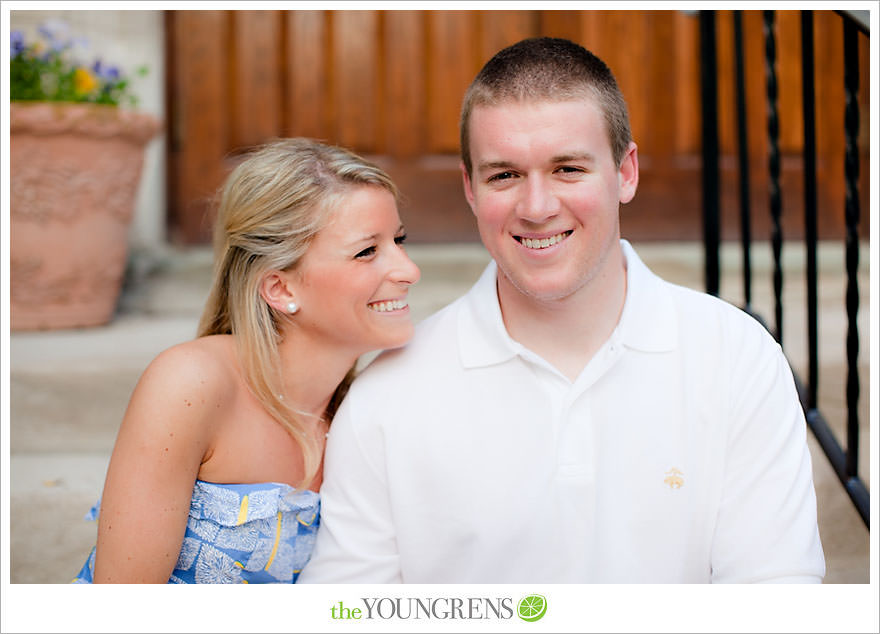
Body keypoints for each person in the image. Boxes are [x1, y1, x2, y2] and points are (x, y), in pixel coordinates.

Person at [299, 38, 825, 583]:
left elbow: (775, 592)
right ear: (471, 189)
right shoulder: (388, 396)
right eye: (504, 175)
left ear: (625, 173)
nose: (537, 207)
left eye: (568, 169)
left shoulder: (736, 358)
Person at [72, 138, 420, 583]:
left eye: (399, 240)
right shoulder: (192, 385)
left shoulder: (371, 406)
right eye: (367, 251)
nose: (409, 270)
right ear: (280, 289)